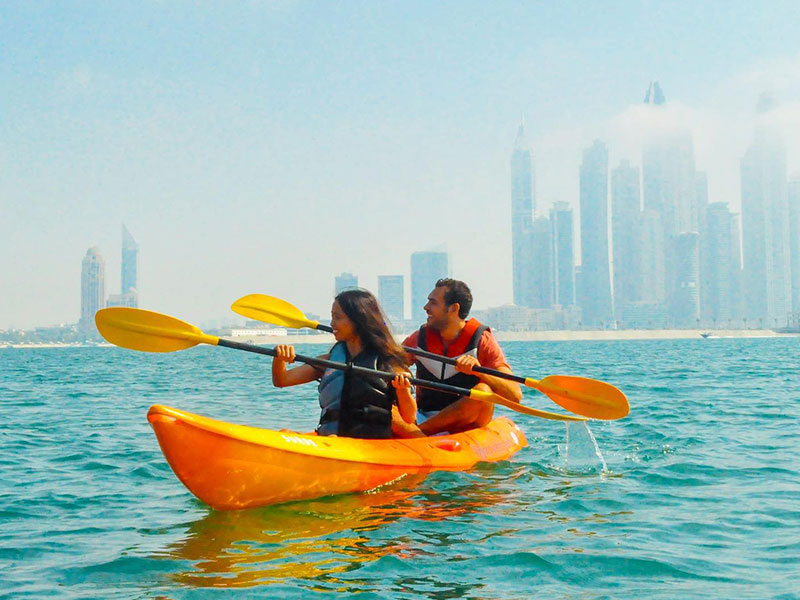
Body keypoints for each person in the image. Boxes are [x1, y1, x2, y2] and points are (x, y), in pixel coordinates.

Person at [271, 289, 417, 439]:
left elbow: (409, 417)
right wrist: (279, 359)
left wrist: (403, 390)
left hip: (369, 441)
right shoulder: (330, 360)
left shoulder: (389, 363)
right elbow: (282, 380)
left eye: (338, 317)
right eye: (332, 316)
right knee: (285, 433)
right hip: (331, 438)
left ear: (359, 320)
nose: (332, 323)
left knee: (332, 439)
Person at [397, 278, 522, 436]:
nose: (426, 307)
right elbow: (391, 364)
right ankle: (417, 432)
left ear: (453, 308)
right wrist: (401, 374)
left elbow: (515, 395)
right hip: (423, 415)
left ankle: (417, 434)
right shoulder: (419, 338)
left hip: (464, 423)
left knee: (483, 392)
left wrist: (479, 371)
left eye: (433, 303)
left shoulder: (482, 341)